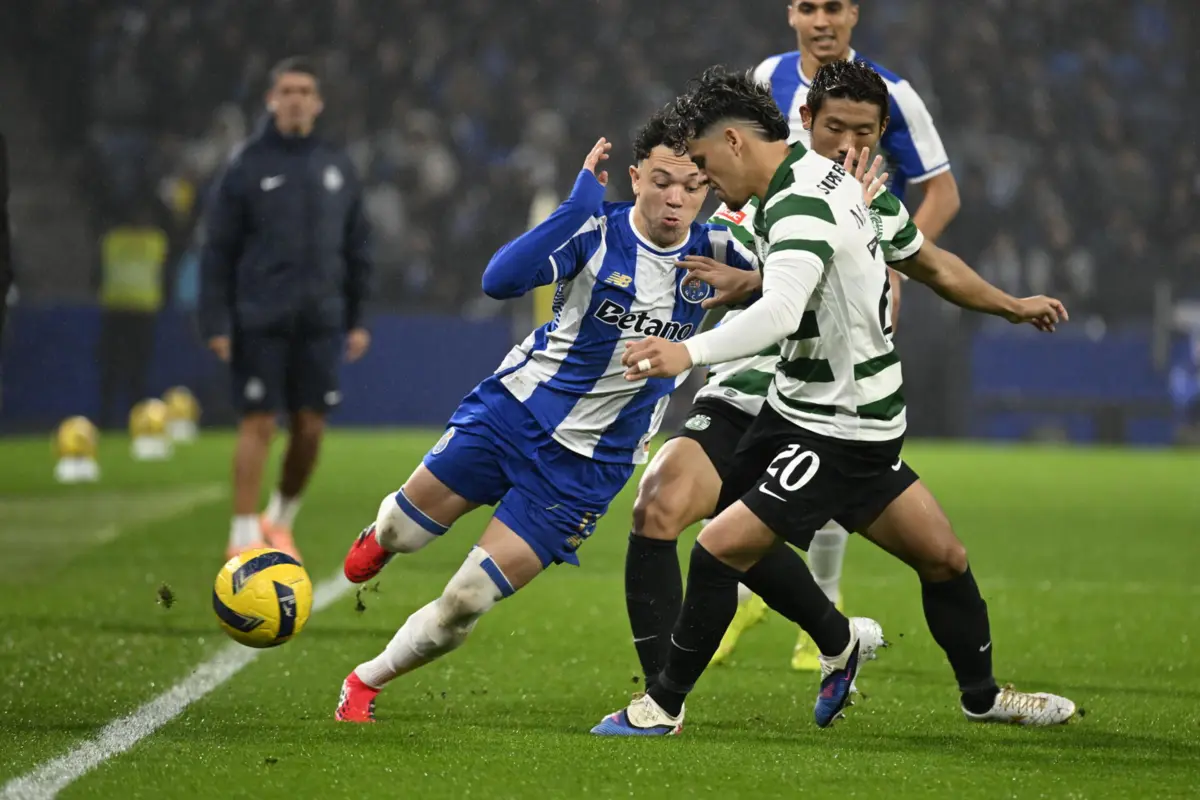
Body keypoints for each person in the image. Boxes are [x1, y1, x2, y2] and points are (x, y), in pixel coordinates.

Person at [594, 64, 1077, 736]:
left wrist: (690, 353)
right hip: (800, 408)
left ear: (734, 142)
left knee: (718, 547)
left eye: (705, 163)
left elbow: (787, 309)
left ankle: (661, 706)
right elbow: (917, 263)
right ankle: (963, 687)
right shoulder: (830, 185)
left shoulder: (799, 202)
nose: (706, 183)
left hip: (842, 427)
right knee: (944, 558)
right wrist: (1011, 305)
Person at [333, 113, 760, 723]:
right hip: (511, 415)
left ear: (707, 190)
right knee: (405, 532)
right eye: (662, 180)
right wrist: (573, 206)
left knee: (465, 599)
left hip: (587, 469)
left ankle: (365, 681)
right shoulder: (596, 232)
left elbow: (799, 290)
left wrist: (754, 280)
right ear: (635, 178)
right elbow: (497, 281)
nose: (676, 197)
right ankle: (381, 537)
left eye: (691, 186)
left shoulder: (720, 250)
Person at [751, 1, 962, 646]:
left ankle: (823, 594)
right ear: (791, 13)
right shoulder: (768, 77)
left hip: (855, 287)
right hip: (782, 272)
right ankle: (747, 583)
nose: (822, 20)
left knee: (838, 422)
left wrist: (890, 259)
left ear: (855, 14)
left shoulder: (892, 93)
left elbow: (942, 192)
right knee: (768, 415)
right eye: (809, 6)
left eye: (834, 6)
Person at [199, 57, 372, 563]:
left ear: (317, 103)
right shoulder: (247, 165)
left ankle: (280, 518)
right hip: (260, 318)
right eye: (287, 90)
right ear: (271, 100)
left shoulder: (336, 165)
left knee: (311, 428)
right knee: (257, 422)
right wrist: (215, 319)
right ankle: (241, 533)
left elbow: (358, 247)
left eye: (305, 90)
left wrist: (358, 317)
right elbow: (218, 249)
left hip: (320, 320)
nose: (296, 98)